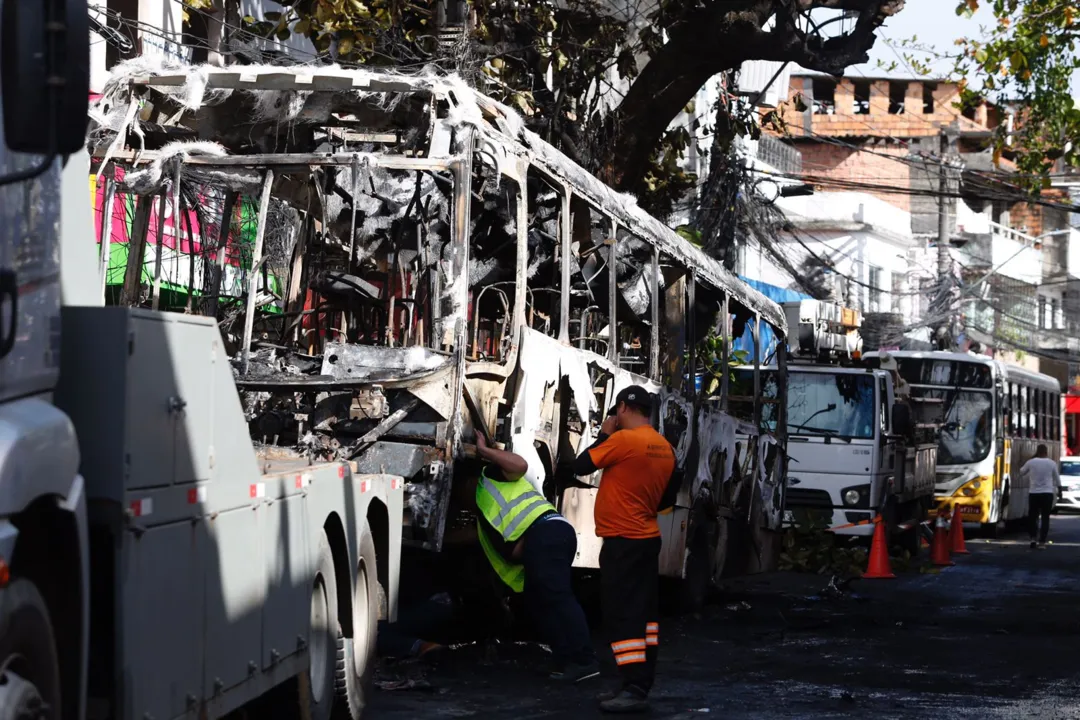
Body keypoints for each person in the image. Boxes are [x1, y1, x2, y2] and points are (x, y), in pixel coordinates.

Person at [573, 385, 676, 714]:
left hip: (623, 543)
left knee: (622, 615)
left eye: (616, 412)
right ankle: (639, 683)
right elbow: (666, 502)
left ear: (622, 409)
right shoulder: (664, 447)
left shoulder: (621, 441)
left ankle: (632, 687)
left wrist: (604, 435)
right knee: (644, 617)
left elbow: (581, 466)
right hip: (646, 540)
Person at [473, 430, 599, 682]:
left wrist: (485, 451)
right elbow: (512, 551)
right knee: (540, 602)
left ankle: (584, 661)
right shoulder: (482, 509)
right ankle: (565, 659)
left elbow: (520, 464)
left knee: (558, 598)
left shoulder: (491, 477)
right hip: (549, 536)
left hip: (547, 532)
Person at [1021, 444, 1060, 549]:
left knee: (1032, 517)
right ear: (1046, 452)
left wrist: (1031, 460)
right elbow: (1057, 478)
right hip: (1047, 494)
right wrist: (1060, 491)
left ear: (1037, 452)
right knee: (1045, 518)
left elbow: (1022, 472)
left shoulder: (1031, 462)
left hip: (1034, 494)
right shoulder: (1052, 463)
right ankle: (1042, 542)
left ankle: (1033, 539)